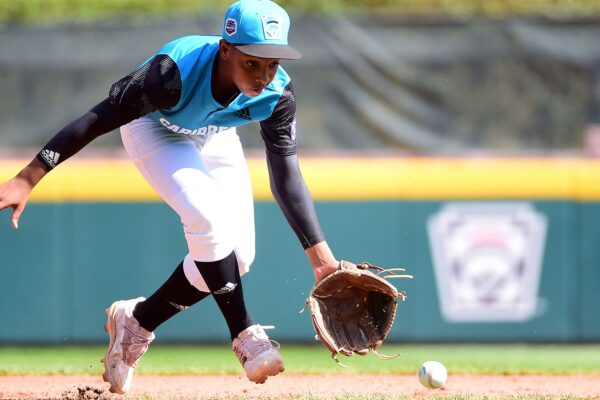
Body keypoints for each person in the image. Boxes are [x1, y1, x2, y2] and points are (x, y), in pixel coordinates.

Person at [0, 0, 341, 394]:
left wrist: (322, 261)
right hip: (154, 129)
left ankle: (137, 322)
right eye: (252, 62)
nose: (264, 74)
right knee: (208, 221)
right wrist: (29, 176)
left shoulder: (277, 94)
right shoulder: (170, 74)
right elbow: (97, 119)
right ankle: (245, 332)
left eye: (273, 62)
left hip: (213, 134)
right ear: (225, 49)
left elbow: (285, 174)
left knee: (237, 258)